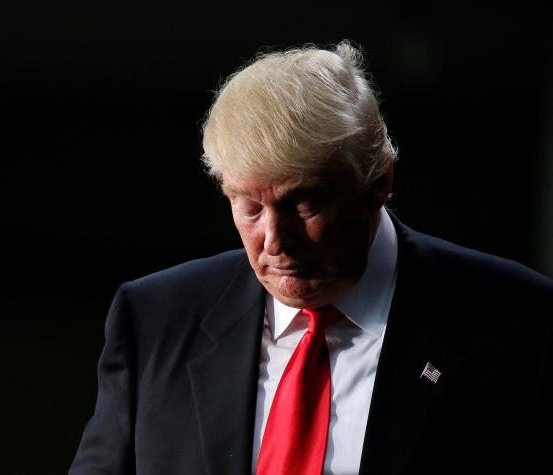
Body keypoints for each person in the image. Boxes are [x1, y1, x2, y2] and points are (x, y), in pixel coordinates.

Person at [69, 41, 553, 475]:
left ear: (378, 180)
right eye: (250, 206)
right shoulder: (155, 320)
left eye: (305, 203)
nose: (275, 240)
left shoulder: (520, 322)